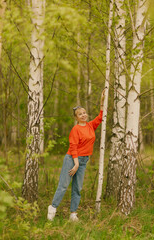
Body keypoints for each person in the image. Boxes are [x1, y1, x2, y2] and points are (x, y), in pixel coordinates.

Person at [47, 89, 105, 221]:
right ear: (76, 117)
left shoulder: (90, 126)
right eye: (80, 114)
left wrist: (102, 101)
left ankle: (73, 213)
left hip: (83, 160)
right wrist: (76, 163)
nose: (83, 115)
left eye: (84, 113)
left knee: (77, 188)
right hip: (72, 160)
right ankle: (53, 207)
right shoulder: (76, 129)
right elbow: (73, 147)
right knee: (63, 185)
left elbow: (101, 117)